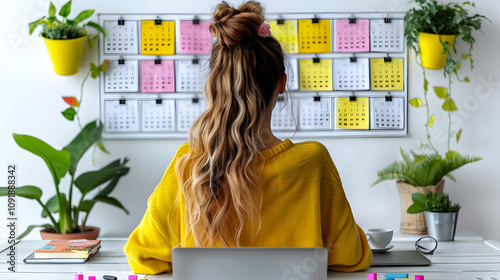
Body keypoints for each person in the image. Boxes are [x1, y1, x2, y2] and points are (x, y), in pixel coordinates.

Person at [123, 1, 372, 274]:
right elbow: (352, 256)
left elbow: (141, 256)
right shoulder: (313, 163)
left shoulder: (190, 163)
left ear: (216, 85)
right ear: (281, 83)